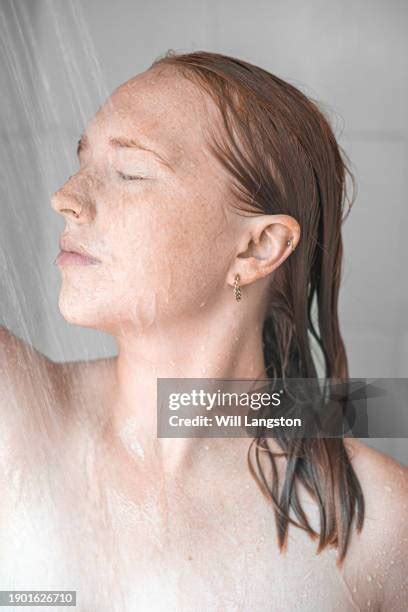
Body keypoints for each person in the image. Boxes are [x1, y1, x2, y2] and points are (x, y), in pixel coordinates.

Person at [0, 50, 407, 611]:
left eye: (131, 172)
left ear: (256, 247)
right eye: (84, 160)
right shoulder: (16, 416)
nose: (65, 197)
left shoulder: (379, 524)